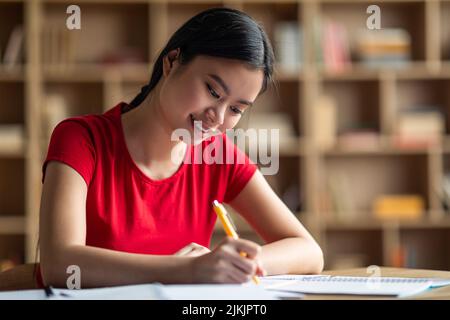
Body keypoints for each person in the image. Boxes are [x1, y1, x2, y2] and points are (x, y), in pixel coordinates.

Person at [39, 7, 323, 288]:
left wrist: (232, 264)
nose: (218, 118)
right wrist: (187, 269)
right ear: (172, 61)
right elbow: (60, 264)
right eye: (213, 91)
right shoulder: (81, 139)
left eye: (236, 109)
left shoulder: (218, 155)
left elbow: (309, 252)